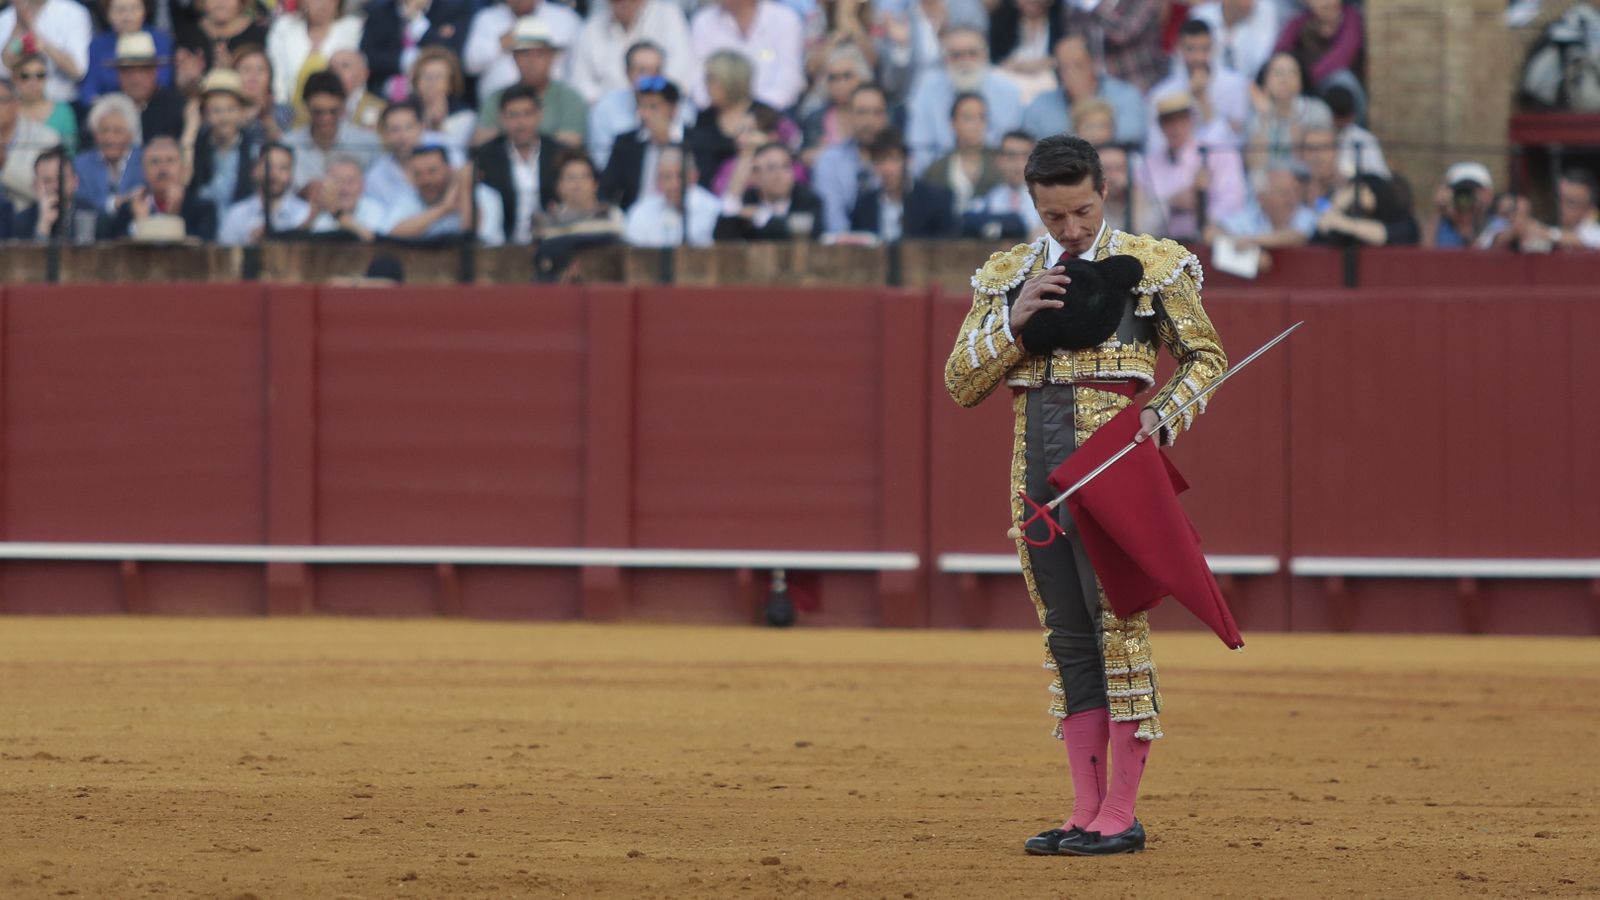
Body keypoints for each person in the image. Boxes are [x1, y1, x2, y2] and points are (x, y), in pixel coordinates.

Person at [943, 134, 1226, 859]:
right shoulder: (1009, 276)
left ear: (1106, 192)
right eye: (1054, 216)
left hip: (1114, 469)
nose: (1071, 229)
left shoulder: (1154, 265)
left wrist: (1167, 409)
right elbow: (960, 382)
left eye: (1083, 210)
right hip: (1033, 475)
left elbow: (1206, 357)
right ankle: (1084, 808)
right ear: (1033, 204)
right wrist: (1013, 321)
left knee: (1117, 629)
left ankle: (1121, 813)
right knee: (1068, 636)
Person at [906, 27, 1023, 175]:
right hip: (940, 173)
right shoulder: (927, 90)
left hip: (995, 173)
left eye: (972, 54)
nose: (965, 61)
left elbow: (1012, 147)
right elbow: (920, 147)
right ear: (945, 58)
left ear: (985, 55)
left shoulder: (1008, 91)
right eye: (957, 55)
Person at [685, 50, 798, 191]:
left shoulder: (766, 115)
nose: (706, 85)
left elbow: (789, 153)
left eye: (711, 79)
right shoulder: (703, 118)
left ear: (730, 80)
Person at [1140, 91, 1245, 241]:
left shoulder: (1218, 154)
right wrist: (1170, 203)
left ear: (1192, 120)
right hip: (1163, 243)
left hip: (1209, 241)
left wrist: (1202, 204)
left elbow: (1233, 202)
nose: (1176, 128)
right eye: (1169, 121)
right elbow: (1141, 217)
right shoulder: (1148, 165)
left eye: (1182, 119)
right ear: (1160, 125)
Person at [474, 17, 586, 148]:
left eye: (540, 54)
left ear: (552, 57)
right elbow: (480, 142)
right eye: (524, 53)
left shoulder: (570, 98)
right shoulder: (496, 97)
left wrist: (512, 133)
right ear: (514, 58)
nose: (532, 61)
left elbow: (571, 144)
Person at [473, 84, 562, 245]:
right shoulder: (485, 157)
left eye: (527, 114)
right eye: (513, 115)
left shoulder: (559, 153)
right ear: (502, 118)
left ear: (539, 115)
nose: (521, 123)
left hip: (552, 244)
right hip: (501, 248)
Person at [1022, 35, 1145, 150]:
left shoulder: (1125, 95)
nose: (1071, 74)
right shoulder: (1041, 103)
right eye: (1064, 68)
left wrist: (1084, 102)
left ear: (1093, 64)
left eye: (1078, 66)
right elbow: (1029, 146)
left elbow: (1130, 139)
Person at [586, 41, 694, 171]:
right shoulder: (605, 109)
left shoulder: (682, 106)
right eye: (643, 70)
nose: (651, 77)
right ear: (628, 73)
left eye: (657, 70)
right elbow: (602, 162)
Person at [567, 0, 694, 105]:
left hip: (661, 106)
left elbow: (680, 75)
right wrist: (620, 102)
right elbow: (579, 84)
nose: (625, 2)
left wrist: (645, 96)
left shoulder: (669, 16)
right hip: (610, 112)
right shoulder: (590, 29)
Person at [372, 144, 504, 243]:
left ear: (449, 169)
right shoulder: (410, 197)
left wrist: (464, 189)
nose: (425, 180)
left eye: (432, 171)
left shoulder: (486, 196)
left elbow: (474, 238)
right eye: (418, 174)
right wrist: (443, 209)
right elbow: (392, 236)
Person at [1147, 18, 1251, 143]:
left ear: (1214, 48)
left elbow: (1235, 143)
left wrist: (1202, 99)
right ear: (1179, 49)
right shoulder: (1161, 94)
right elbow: (1156, 146)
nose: (1198, 57)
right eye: (1191, 49)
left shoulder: (1235, 85)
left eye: (1204, 49)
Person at [689, 0, 805, 111]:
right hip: (716, 116)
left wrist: (756, 112)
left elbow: (790, 78)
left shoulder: (785, 19)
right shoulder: (703, 21)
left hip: (772, 115)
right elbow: (698, 78)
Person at [462, 0, 581, 106]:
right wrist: (499, 45)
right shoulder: (487, 19)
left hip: (555, 106)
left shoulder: (566, 18)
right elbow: (470, 65)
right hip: (498, 109)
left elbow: (577, 70)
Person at [847, 129, 957, 240]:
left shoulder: (935, 200)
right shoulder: (864, 205)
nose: (887, 169)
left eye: (893, 159)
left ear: (908, 161)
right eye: (879, 161)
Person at [282, 70, 382, 192]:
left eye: (333, 112)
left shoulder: (368, 142)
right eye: (318, 112)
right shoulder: (288, 145)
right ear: (306, 107)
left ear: (343, 106)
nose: (326, 119)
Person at [360, 0, 476, 103]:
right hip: (384, 93)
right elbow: (367, 56)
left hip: (442, 98)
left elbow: (450, 53)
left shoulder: (454, 8)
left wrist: (416, 20)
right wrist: (404, 59)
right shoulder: (379, 11)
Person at [102, 135, 215, 239]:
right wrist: (140, 224)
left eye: (170, 161)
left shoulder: (203, 209)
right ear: (143, 171)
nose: (163, 168)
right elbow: (117, 250)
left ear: (183, 170)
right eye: (155, 161)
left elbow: (202, 251)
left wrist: (172, 219)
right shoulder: (129, 209)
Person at [814, 82, 888, 236]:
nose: (869, 121)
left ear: (886, 117)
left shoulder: (903, 161)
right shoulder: (830, 160)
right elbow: (832, 218)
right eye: (862, 112)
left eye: (877, 113)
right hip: (844, 250)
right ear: (849, 116)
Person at [600, 75, 684, 212]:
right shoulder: (626, 142)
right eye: (642, 106)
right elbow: (606, 190)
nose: (645, 114)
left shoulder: (695, 141)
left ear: (673, 109)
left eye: (653, 107)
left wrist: (666, 139)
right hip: (636, 220)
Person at [1244, 51, 1331, 181]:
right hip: (1265, 191)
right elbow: (1255, 166)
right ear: (1265, 80)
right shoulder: (1253, 114)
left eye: (1291, 73)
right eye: (1278, 73)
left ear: (1301, 81)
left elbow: (1322, 159)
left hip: (1306, 185)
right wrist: (1265, 118)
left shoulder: (1317, 111)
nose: (1284, 79)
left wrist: (1291, 116)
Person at [714, 140, 823, 240]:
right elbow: (721, 236)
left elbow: (807, 232)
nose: (779, 174)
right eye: (771, 167)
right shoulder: (748, 200)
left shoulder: (807, 199)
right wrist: (736, 186)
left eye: (786, 166)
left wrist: (761, 216)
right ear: (755, 175)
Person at [185, 67, 259, 214]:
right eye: (216, 111)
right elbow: (184, 182)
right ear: (205, 115)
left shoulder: (254, 149)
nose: (224, 118)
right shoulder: (196, 147)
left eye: (231, 110)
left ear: (241, 112)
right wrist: (190, 131)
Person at [921, 92, 1002, 216]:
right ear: (953, 124)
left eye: (982, 118)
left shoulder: (1000, 163)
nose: (976, 125)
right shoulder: (936, 170)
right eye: (968, 118)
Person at [621, 144, 718, 246]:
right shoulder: (641, 212)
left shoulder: (713, 211)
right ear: (659, 179)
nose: (674, 184)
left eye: (680, 176)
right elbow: (633, 255)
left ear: (694, 176)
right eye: (667, 177)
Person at [217, 142, 312, 244]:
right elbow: (224, 254)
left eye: (283, 168)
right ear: (255, 170)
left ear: (291, 175)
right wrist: (251, 245)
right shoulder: (237, 215)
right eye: (268, 166)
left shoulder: (305, 213)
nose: (274, 174)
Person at [83, 0, 174, 107]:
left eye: (134, 9)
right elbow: (87, 91)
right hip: (111, 110)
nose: (127, 17)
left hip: (153, 107)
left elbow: (163, 80)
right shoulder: (98, 46)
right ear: (108, 14)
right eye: (120, 10)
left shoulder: (160, 40)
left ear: (144, 10)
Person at [1061, 0, 1166, 92]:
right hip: (1099, 90)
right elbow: (1075, 42)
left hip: (1143, 87)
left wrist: (1092, 4)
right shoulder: (1079, 6)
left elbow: (1122, 32)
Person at [0, 0, 92, 105]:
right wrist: (18, 30)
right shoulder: (6, 17)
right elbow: (3, 68)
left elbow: (78, 70)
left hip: (61, 101)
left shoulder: (73, 13)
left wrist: (42, 43)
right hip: (18, 105)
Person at [1489, 170, 1600, 252]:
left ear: (1589, 210)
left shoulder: (1594, 232)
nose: (1560, 207)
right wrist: (1514, 232)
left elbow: (1588, 241)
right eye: (1558, 199)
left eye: (1571, 203)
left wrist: (1548, 234)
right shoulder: (1541, 226)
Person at [965, 129, 1043, 240]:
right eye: (1011, 156)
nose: (1018, 165)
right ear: (999, 160)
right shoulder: (985, 202)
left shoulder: (1048, 201)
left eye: (1025, 156)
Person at [532, 150, 625, 240]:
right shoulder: (544, 220)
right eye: (570, 177)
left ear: (595, 184)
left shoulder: (611, 215)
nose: (578, 183)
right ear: (558, 186)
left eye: (584, 177)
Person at [74, 92, 143, 213]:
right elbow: (81, 202)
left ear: (131, 135)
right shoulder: (81, 164)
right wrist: (114, 204)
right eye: (104, 131)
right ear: (95, 133)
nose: (110, 139)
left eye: (118, 131)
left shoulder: (144, 161)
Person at [1274, 0, 1363, 91]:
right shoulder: (1299, 21)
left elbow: (1343, 54)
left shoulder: (1350, 17)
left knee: (1341, 79)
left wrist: (1305, 79)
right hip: (1302, 88)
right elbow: (1280, 52)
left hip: (1333, 87)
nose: (1327, 2)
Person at [173, 0, 267, 86]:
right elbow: (178, 88)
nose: (221, 2)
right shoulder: (188, 35)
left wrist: (232, 72)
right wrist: (188, 80)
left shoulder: (258, 35)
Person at [0, 74, 62, 204]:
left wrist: (4, 164)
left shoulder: (46, 139)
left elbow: (49, 191)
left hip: (29, 219)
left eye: (0, 101)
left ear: (15, 104)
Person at [16, 145, 102, 240]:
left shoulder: (95, 216)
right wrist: (44, 224)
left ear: (75, 182)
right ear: (35, 186)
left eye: (61, 179)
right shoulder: (21, 221)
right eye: (47, 181)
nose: (55, 186)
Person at [988, 0, 1065, 104]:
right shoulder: (1003, 20)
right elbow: (995, 56)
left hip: (1046, 78)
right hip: (1011, 76)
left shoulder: (1059, 22)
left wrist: (1036, 65)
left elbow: (1061, 56)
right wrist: (1017, 66)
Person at [1312, 171, 1418, 246]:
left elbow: (1384, 235)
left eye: (1361, 191)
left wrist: (1342, 223)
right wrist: (1337, 205)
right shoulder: (1345, 220)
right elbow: (1322, 229)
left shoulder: (1404, 222)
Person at [111, 31, 184, 140]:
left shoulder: (176, 108)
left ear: (155, 72)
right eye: (128, 71)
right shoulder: (110, 108)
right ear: (119, 74)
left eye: (143, 70)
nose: (136, 79)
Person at [1188, 0, 1278, 81]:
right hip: (1206, 82)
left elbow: (1261, 60)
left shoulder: (1264, 11)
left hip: (1249, 85)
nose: (1250, 4)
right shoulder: (1201, 15)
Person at [1423, 161, 1502, 250]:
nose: (1465, 197)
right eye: (1460, 191)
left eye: (1473, 190)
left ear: (1488, 194)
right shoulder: (1441, 224)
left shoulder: (1498, 226)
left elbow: (1480, 257)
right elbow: (1426, 255)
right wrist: (1439, 209)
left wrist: (1464, 227)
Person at [409, 47, 475, 154]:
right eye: (426, 76)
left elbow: (455, 153)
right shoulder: (405, 111)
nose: (431, 83)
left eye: (438, 77)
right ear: (416, 82)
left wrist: (437, 125)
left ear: (450, 83)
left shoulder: (465, 115)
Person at [305, 154, 385, 237]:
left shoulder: (375, 209)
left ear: (362, 185)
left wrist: (337, 213)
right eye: (337, 181)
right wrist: (312, 217)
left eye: (350, 181)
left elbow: (370, 239)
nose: (344, 189)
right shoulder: (311, 210)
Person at [11, 52, 75, 155]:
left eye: (40, 75)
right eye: (25, 76)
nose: (33, 82)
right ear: (14, 79)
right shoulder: (6, 111)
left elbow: (70, 152)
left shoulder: (63, 112)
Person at [1323, 83, 1386, 179]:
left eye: (1345, 119)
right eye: (1337, 119)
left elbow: (1379, 178)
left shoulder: (1365, 139)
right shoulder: (1313, 138)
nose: (1340, 124)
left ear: (1352, 116)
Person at [327, 49, 387, 131]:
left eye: (345, 66)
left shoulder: (381, 109)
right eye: (331, 68)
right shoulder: (311, 108)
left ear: (364, 73)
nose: (336, 72)